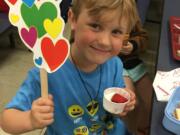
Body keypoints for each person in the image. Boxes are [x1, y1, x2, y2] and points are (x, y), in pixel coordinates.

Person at [0, 0, 139, 134]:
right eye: (95, 26)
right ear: (73, 19)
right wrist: (30, 119)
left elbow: (118, 92)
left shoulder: (115, 64)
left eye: (116, 32)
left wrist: (125, 102)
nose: (104, 42)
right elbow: (6, 120)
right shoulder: (47, 72)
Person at [119, 19, 153, 135]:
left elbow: (143, 37)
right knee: (132, 104)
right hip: (114, 64)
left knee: (151, 100)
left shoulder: (129, 11)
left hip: (132, 62)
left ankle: (143, 130)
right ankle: (131, 131)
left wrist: (133, 45)